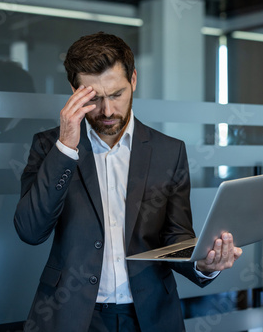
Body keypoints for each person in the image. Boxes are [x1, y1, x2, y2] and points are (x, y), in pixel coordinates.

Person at [13, 32, 242, 332]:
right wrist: (66, 147)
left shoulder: (169, 151)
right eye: (94, 98)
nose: (107, 111)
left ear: (133, 80)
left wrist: (203, 264)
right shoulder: (49, 147)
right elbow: (31, 230)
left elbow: (175, 238)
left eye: (117, 94)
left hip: (149, 317)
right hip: (72, 316)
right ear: (74, 91)